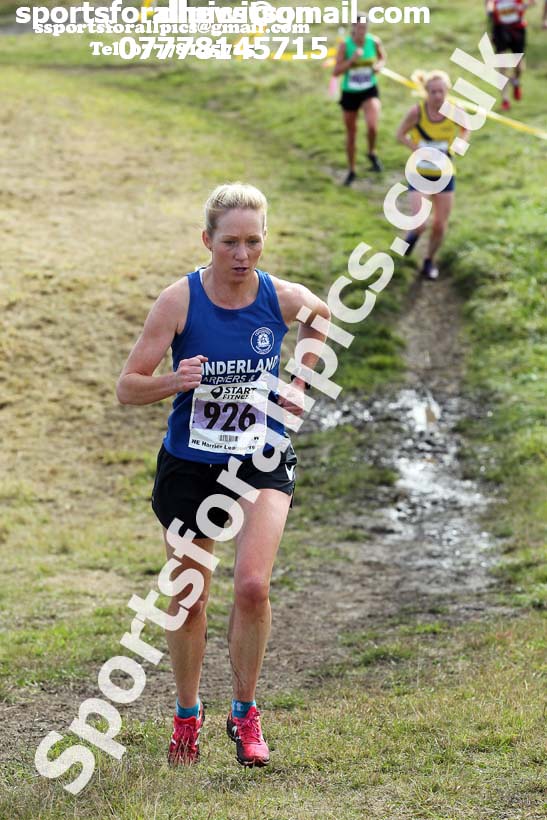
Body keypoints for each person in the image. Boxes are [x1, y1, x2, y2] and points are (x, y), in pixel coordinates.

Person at [116, 183, 330, 767]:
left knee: (253, 586)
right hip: (190, 464)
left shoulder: (279, 297)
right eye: (230, 242)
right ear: (207, 240)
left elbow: (322, 320)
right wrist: (174, 382)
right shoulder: (178, 301)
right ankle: (188, 714)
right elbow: (126, 387)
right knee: (189, 599)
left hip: (260, 458)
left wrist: (301, 378)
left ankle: (245, 712)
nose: (242, 254)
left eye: (253, 242)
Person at [395, 70, 469, 280]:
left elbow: (466, 128)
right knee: (420, 223)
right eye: (433, 92)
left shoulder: (455, 110)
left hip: (445, 175)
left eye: (441, 91)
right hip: (419, 173)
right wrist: (416, 148)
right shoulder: (417, 112)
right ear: (426, 92)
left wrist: (458, 145)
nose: (438, 96)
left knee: (439, 225)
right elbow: (400, 134)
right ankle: (412, 237)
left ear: (448, 91)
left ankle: (429, 261)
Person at [332, 14, 386, 185]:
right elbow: (336, 72)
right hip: (350, 92)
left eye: (365, 28)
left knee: (372, 125)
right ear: (353, 28)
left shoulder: (374, 42)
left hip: (369, 89)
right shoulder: (345, 45)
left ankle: (371, 152)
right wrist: (352, 60)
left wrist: (379, 66)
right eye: (359, 28)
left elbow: (383, 58)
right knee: (351, 133)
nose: (362, 31)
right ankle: (352, 170)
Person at [485, 0, 536, 109]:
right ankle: (505, 99)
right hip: (500, 29)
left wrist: (524, 6)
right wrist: (489, 11)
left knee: (519, 65)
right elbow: (489, 4)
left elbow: (532, 2)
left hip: (517, 28)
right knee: (502, 64)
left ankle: (516, 81)